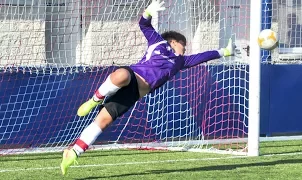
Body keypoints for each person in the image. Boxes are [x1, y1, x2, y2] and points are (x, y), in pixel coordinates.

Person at [60, 0, 234, 175]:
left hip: (135, 93)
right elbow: (144, 24)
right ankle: (94, 100)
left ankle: (73, 152)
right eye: (184, 44)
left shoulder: (181, 61)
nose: (185, 48)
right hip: (132, 76)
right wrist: (148, 12)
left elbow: (203, 56)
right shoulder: (158, 42)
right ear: (173, 41)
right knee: (121, 74)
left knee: (102, 122)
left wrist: (224, 52)